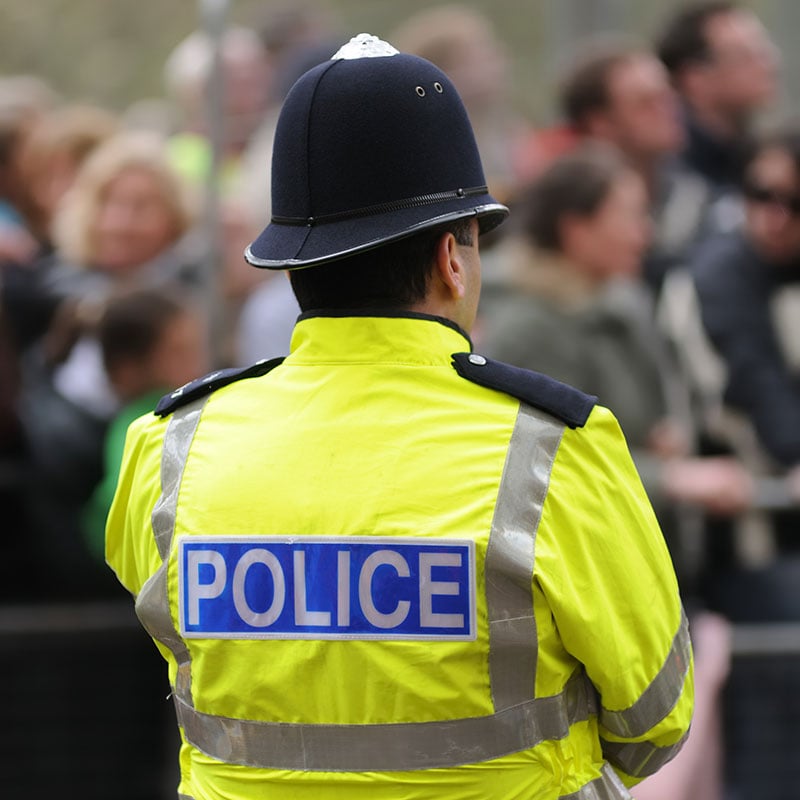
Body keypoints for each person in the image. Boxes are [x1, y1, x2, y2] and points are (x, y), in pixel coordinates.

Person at [106, 34, 692, 799]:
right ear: (453, 258)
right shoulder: (553, 446)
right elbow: (654, 718)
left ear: (293, 262)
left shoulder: (171, 443)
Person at [82, 287, 208, 559]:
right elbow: (121, 508)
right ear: (126, 369)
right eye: (178, 352)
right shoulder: (141, 422)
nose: (197, 365)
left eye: (196, 349)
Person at [656, 1, 779, 232]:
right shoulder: (663, 172)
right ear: (695, 77)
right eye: (746, 55)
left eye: (765, 50)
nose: (769, 63)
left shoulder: (759, 161)